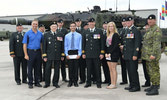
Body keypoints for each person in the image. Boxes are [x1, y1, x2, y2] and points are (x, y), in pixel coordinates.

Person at [141, 14, 162, 95]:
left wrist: (153, 54)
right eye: (149, 20)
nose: (150, 21)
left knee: (154, 71)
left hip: (152, 55)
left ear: (155, 20)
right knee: (150, 71)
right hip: (147, 55)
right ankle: (153, 85)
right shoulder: (150, 29)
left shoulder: (156, 30)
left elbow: (156, 44)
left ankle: (156, 88)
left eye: (152, 19)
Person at [82, 18, 105, 88]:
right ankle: (88, 82)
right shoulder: (85, 32)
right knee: (88, 69)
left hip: (97, 53)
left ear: (94, 23)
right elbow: (83, 44)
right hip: (88, 53)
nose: (91, 24)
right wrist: (83, 53)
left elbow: (102, 43)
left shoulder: (99, 31)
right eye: (90, 23)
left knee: (97, 68)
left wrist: (102, 53)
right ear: (88, 23)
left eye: (92, 22)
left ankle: (98, 82)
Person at [43, 22, 65, 88]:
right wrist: (44, 55)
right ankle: (47, 83)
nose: (54, 28)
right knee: (47, 69)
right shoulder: (46, 35)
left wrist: (62, 55)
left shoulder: (60, 34)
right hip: (49, 55)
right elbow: (44, 46)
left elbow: (62, 45)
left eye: (55, 27)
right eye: (53, 27)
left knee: (57, 69)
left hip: (57, 55)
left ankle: (55, 82)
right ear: (50, 27)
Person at [22, 20, 43, 89]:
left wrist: (42, 54)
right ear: (31, 25)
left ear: (37, 25)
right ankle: (30, 83)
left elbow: (41, 44)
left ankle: (37, 82)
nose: (35, 25)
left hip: (38, 52)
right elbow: (25, 44)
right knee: (30, 68)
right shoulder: (27, 33)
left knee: (37, 68)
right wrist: (26, 54)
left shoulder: (40, 34)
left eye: (36, 24)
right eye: (34, 24)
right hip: (30, 52)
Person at [123, 16, 141, 92]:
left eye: (129, 22)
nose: (128, 23)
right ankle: (131, 84)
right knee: (129, 71)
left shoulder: (135, 30)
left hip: (132, 55)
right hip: (127, 55)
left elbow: (137, 44)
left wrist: (135, 54)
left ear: (132, 22)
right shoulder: (127, 30)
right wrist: (124, 53)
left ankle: (136, 86)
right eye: (127, 22)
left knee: (133, 71)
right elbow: (125, 43)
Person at [64, 22, 82, 87]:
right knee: (70, 68)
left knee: (76, 68)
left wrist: (79, 54)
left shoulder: (79, 35)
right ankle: (70, 81)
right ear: (70, 27)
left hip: (76, 52)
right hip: (70, 52)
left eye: (74, 26)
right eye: (71, 26)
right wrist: (66, 54)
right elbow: (65, 45)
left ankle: (75, 81)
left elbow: (80, 45)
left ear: (75, 27)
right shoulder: (67, 36)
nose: (73, 27)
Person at [105, 22, 120, 89]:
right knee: (110, 69)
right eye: (109, 26)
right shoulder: (108, 35)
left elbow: (115, 45)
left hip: (114, 54)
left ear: (114, 27)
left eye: (112, 26)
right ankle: (111, 82)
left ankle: (114, 84)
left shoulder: (115, 35)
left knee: (113, 69)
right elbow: (106, 45)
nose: (111, 28)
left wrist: (110, 53)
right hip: (108, 54)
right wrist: (106, 53)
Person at [75, 18, 86, 84]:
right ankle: (75, 79)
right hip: (74, 51)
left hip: (82, 50)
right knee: (75, 66)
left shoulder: (84, 31)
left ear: (81, 22)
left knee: (82, 66)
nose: (78, 23)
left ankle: (83, 79)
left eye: (79, 21)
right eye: (77, 22)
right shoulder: (73, 30)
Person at [141, 21, 151, 87]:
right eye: (146, 26)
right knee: (145, 69)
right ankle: (147, 82)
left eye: (148, 26)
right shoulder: (145, 34)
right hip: (144, 55)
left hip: (149, 55)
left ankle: (154, 84)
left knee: (151, 70)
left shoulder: (152, 34)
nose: (147, 27)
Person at [119, 18, 128, 85]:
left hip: (127, 51)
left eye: (125, 21)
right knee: (123, 66)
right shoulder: (120, 30)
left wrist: (124, 46)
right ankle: (124, 80)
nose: (124, 23)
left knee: (130, 68)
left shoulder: (129, 30)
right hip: (121, 51)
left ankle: (132, 81)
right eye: (123, 21)